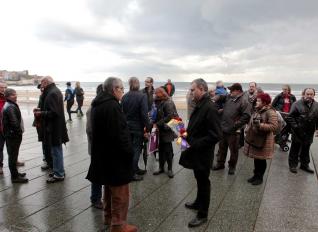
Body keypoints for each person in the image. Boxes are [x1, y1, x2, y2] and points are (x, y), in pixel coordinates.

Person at [86, 77, 137, 232]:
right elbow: (120, 135)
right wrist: (130, 153)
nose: (123, 91)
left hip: (103, 156)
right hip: (116, 158)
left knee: (108, 190)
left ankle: (109, 218)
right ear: (115, 89)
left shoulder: (97, 104)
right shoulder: (112, 106)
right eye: (122, 89)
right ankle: (119, 225)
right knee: (121, 193)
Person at [179, 78, 221, 228]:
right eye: (190, 90)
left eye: (192, 90)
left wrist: (195, 143)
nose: (190, 93)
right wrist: (185, 134)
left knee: (204, 182)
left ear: (202, 89)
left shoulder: (210, 107)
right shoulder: (200, 104)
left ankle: (203, 213)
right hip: (196, 151)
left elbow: (216, 135)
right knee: (198, 178)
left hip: (203, 153)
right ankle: (198, 202)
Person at [34, 76, 69, 183]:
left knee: (56, 151)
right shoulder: (54, 91)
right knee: (56, 150)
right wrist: (41, 109)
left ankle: (59, 174)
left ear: (46, 82)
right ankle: (58, 170)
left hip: (54, 128)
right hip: (55, 127)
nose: (41, 85)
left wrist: (41, 113)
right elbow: (53, 109)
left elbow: (54, 112)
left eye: (42, 82)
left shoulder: (52, 93)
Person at [213, 83, 251, 175]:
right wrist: (217, 97)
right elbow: (223, 96)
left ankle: (232, 167)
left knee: (233, 150)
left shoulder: (244, 101)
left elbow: (246, 116)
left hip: (234, 131)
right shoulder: (229, 97)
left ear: (238, 91)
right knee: (222, 148)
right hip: (223, 128)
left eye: (232, 90)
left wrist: (235, 126)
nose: (230, 92)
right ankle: (220, 163)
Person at [244, 93, 278, 185]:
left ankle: (260, 178)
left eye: (259, 101)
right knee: (257, 158)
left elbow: (274, 126)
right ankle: (255, 175)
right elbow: (252, 122)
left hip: (264, 140)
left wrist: (260, 125)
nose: (256, 102)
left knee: (261, 159)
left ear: (264, 102)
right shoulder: (257, 110)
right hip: (256, 139)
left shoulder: (270, 112)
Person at [122, 77, 150, 181]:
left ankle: (135, 168)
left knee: (130, 149)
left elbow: (122, 113)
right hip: (137, 127)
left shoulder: (124, 97)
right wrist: (148, 128)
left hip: (127, 127)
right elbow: (144, 114)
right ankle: (132, 173)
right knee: (137, 149)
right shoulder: (142, 96)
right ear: (138, 84)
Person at [286, 88, 318, 174]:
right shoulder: (296, 104)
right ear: (303, 94)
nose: (309, 96)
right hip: (298, 131)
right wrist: (296, 127)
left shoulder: (316, 105)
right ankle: (292, 165)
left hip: (309, 132)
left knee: (306, 149)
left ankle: (304, 165)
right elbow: (289, 117)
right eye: (307, 94)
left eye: (311, 94)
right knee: (295, 149)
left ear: (314, 95)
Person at [2, 88, 28, 183]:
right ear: (8, 96)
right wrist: (19, 132)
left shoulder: (9, 105)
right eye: (13, 94)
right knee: (12, 156)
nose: (16, 96)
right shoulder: (10, 107)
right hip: (13, 136)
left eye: (15, 94)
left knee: (13, 155)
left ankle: (15, 173)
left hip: (11, 135)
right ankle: (14, 177)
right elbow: (14, 123)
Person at [153, 87, 178, 178]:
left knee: (168, 150)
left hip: (167, 129)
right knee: (161, 150)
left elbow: (170, 116)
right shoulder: (158, 101)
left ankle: (170, 169)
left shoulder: (168, 102)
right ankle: (161, 168)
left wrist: (158, 124)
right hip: (160, 129)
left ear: (161, 93)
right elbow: (157, 114)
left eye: (156, 93)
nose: (155, 95)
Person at [86, 84, 103, 209]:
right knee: (97, 174)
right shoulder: (93, 108)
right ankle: (95, 198)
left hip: (98, 147)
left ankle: (98, 198)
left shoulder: (98, 106)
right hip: (97, 148)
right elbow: (90, 130)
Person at [33, 84, 52, 171]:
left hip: (45, 122)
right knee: (43, 141)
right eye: (40, 88)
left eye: (43, 88)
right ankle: (46, 158)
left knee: (47, 142)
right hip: (40, 121)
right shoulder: (42, 96)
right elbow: (40, 107)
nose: (41, 89)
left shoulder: (48, 96)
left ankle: (49, 160)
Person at [0, 82, 7, 175]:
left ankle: (15, 161)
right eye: (1, 87)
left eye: (5, 87)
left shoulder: (7, 98)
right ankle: (0, 166)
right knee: (0, 147)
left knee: (12, 147)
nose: (3, 89)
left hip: (8, 127)